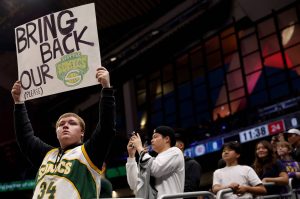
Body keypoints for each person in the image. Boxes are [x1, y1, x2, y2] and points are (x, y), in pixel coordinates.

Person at [11, 67, 116, 199]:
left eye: (72, 123)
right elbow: (24, 137)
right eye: (61, 124)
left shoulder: (89, 153)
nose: (65, 125)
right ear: (56, 132)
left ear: (82, 132)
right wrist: (19, 102)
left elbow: (107, 127)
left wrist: (106, 89)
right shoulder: (47, 154)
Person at [126, 126, 185, 198]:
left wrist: (139, 148)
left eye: (155, 137)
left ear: (167, 139)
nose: (152, 140)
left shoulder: (175, 152)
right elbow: (134, 184)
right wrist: (131, 156)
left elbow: (155, 169)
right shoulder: (153, 159)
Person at [175, 132, 201, 199]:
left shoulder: (192, 164)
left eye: (172, 143)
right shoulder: (167, 166)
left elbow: (190, 189)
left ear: (181, 145)